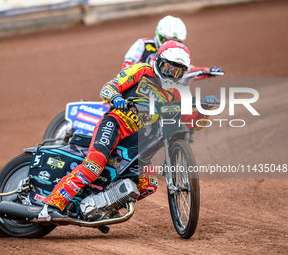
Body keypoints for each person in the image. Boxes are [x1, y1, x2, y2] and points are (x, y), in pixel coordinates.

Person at [43, 41, 218, 213]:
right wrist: (116, 98)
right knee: (93, 166)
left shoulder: (177, 92)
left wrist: (205, 111)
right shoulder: (141, 70)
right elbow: (108, 87)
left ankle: (102, 208)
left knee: (148, 184)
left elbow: (193, 123)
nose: (172, 75)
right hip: (115, 124)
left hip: (137, 143)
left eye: (178, 71)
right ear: (158, 62)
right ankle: (52, 205)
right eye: (168, 68)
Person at [122, 15, 224, 85]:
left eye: (175, 41)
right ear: (159, 36)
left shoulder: (177, 55)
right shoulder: (143, 45)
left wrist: (207, 71)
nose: (169, 44)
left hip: (161, 95)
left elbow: (187, 71)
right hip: (135, 90)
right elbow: (126, 66)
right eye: (166, 40)